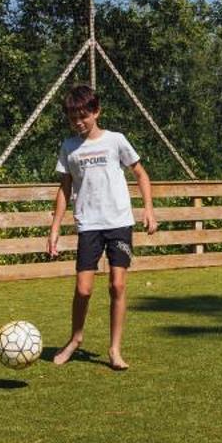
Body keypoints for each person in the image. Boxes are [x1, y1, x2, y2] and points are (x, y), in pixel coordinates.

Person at [46, 84, 157, 370]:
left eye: (83, 116)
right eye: (73, 118)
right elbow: (64, 189)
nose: (78, 122)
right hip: (88, 225)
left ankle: (114, 349)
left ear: (96, 112)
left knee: (117, 285)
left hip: (119, 222)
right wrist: (55, 228)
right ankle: (75, 339)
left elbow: (141, 174)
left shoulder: (116, 141)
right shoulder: (69, 147)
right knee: (83, 290)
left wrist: (148, 210)